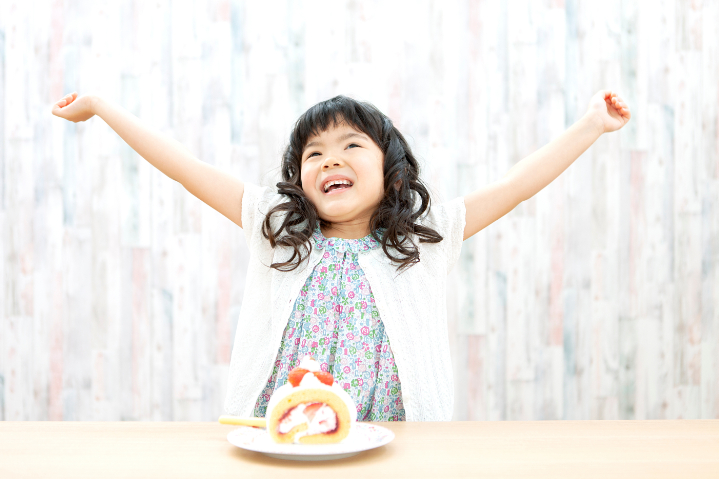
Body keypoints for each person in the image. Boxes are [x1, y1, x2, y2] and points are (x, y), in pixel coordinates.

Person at [51, 90, 631, 421]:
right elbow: (184, 168)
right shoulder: (275, 230)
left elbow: (518, 184)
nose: (331, 160)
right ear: (299, 179)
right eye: (315, 154)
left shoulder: (423, 241)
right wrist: (102, 107)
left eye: (352, 145)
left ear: (390, 169)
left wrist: (591, 125)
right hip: (284, 439)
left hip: (396, 442)